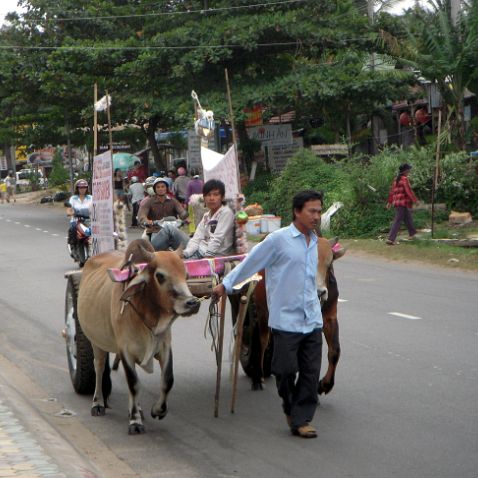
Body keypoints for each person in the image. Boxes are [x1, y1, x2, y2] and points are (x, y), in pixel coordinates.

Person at [212, 190, 324, 439]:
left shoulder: (315, 240)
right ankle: (290, 406)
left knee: (310, 373)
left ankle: (301, 418)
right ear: (297, 212)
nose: (316, 216)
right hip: (286, 320)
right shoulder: (278, 240)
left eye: (319, 211)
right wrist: (226, 285)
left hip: (312, 319)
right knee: (284, 372)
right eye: (311, 211)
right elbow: (250, 263)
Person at [151, 179, 235, 258]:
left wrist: (207, 258)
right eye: (208, 195)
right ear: (204, 198)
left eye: (216, 195)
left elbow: (217, 239)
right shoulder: (206, 216)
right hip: (198, 251)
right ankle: (148, 255)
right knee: (169, 229)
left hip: (212, 255)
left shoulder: (226, 212)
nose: (212, 198)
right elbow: (196, 238)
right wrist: (186, 254)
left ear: (222, 197)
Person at [386, 163, 418, 245]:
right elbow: (408, 191)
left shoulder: (396, 179)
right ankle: (391, 239)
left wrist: (389, 202)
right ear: (405, 171)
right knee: (397, 220)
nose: (409, 171)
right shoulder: (404, 179)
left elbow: (392, 192)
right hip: (402, 203)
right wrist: (415, 200)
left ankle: (412, 234)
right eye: (409, 170)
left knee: (408, 218)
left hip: (397, 203)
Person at [66, 179, 93, 257]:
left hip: (89, 220)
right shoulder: (73, 198)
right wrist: (69, 212)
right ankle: (73, 247)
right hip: (76, 220)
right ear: (77, 188)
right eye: (80, 187)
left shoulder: (91, 198)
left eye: (84, 187)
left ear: (87, 188)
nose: (82, 189)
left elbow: (95, 207)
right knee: (72, 229)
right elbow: (69, 208)